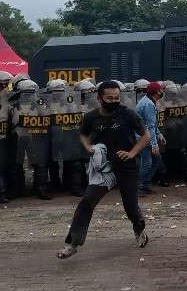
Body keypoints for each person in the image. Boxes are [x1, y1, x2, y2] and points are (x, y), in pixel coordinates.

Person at [57, 82, 150, 259]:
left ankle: (139, 230)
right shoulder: (91, 117)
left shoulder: (128, 114)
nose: (114, 101)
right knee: (86, 202)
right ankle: (72, 243)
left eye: (117, 98)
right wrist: (89, 147)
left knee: (130, 205)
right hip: (103, 168)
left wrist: (132, 153)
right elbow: (83, 134)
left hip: (126, 166)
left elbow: (146, 136)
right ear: (99, 98)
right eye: (109, 98)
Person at [135, 81, 165, 195]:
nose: (162, 91)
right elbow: (150, 126)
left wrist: (159, 134)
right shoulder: (148, 105)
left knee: (156, 160)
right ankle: (141, 186)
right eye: (161, 90)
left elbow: (151, 123)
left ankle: (145, 184)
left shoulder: (148, 101)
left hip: (144, 136)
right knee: (147, 162)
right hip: (143, 138)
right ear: (157, 92)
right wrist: (155, 145)